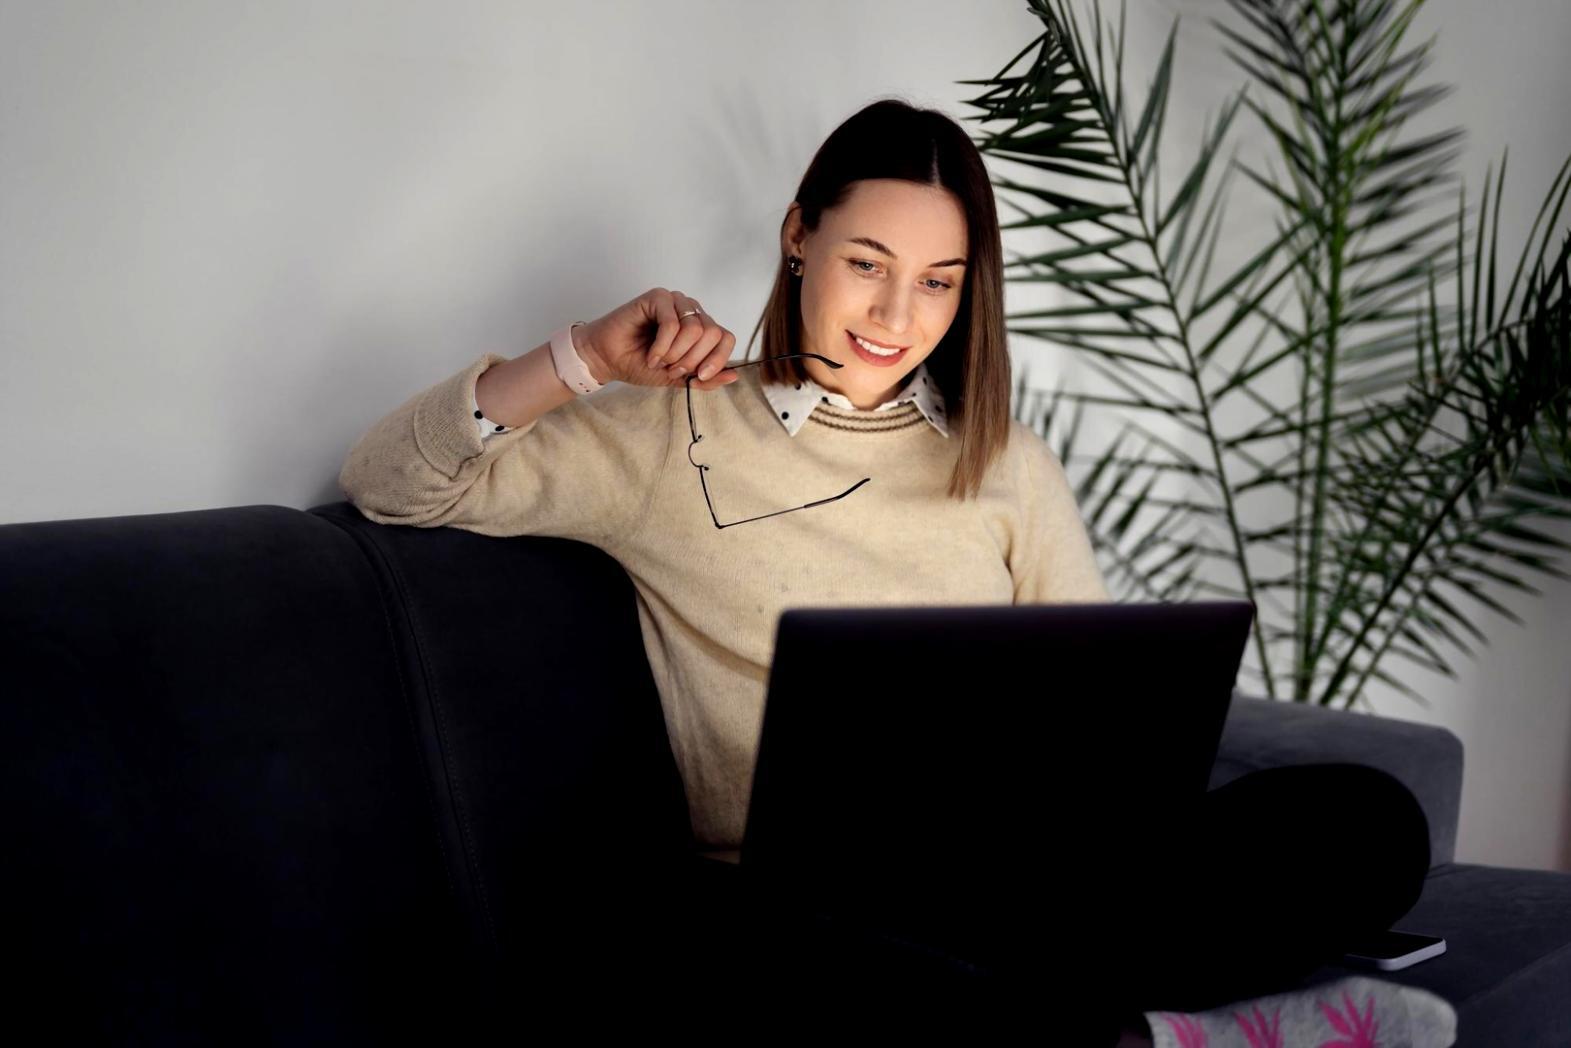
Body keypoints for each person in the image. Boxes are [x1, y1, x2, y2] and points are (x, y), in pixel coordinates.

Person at [337, 98, 1453, 1044]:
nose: (892, 314)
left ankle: (1109, 1007)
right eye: (866, 264)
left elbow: (1108, 725)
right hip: (802, 908)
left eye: (935, 282)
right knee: (823, 972)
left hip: (1023, 881)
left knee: (1366, 818)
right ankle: (1168, 1021)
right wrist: (580, 356)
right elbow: (393, 481)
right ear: (796, 238)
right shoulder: (667, 435)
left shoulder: (1002, 460)